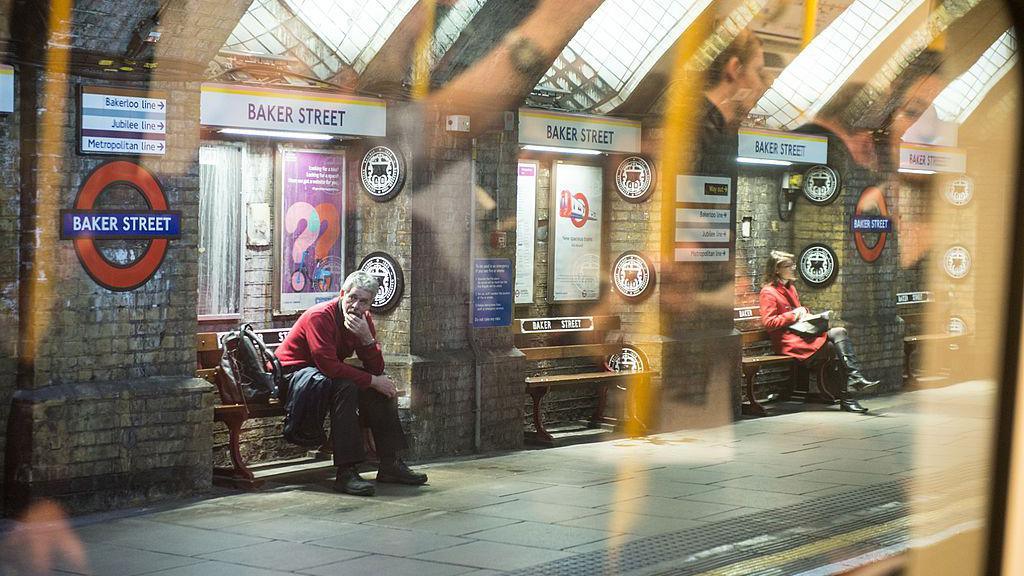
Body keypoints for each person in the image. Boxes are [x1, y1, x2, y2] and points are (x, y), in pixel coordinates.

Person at [274, 270, 427, 496]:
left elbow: (376, 369)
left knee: (383, 389)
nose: (355, 305)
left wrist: (367, 339)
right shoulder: (320, 316)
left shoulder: (362, 322)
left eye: (363, 301)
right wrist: (373, 381)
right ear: (342, 293)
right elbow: (329, 366)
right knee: (348, 387)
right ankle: (346, 472)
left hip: (320, 376)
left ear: (370, 304)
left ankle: (390, 464)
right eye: (352, 297)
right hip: (293, 378)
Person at [758, 250, 880, 413]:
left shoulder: (791, 288)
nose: (793, 268)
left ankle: (853, 382)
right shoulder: (768, 292)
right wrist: (793, 314)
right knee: (836, 346)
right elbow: (769, 322)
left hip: (802, 335)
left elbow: (797, 311)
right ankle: (851, 389)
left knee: (839, 332)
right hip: (788, 341)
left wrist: (806, 313)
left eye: (792, 265)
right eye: (788, 266)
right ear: (776, 269)